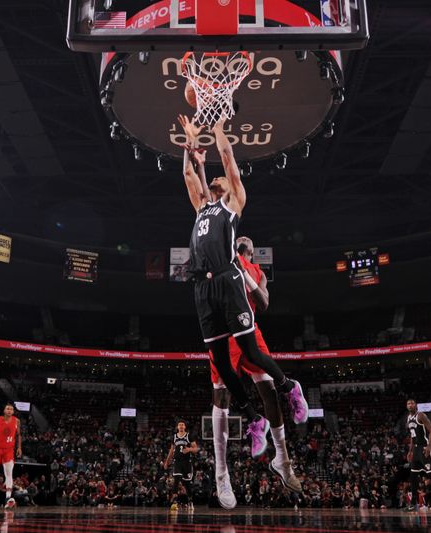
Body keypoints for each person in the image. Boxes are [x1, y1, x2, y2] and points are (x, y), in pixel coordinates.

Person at [176, 114, 308, 509]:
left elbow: (230, 161)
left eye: (217, 180)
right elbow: (188, 178)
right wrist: (189, 146)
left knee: (260, 369)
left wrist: (218, 132)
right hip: (205, 288)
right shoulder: (202, 207)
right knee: (221, 376)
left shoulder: (234, 209)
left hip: (234, 297)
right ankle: (230, 460)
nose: (213, 180)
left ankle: (284, 430)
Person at [208, 236, 303, 504]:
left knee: (270, 392)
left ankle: (283, 461)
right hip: (224, 331)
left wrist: (251, 281)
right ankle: (221, 475)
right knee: (221, 398)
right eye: (240, 239)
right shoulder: (227, 257)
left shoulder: (258, 273)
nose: (244, 239)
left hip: (249, 329)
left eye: (247, 242)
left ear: (252, 252)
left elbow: (264, 303)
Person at [405, 399, 431, 512]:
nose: (410, 405)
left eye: (412, 403)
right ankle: (413, 502)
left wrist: (429, 446)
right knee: (413, 477)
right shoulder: (408, 418)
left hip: (424, 447)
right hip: (415, 450)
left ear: (416, 405)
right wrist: (410, 451)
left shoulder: (421, 415)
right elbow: (412, 436)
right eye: (408, 403)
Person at [163, 420, 198, 511]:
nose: (181, 426)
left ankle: (190, 501)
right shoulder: (174, 437)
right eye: (179, 425)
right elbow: (171, 450)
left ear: (185, 427)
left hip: (187, 462)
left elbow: (196, 449)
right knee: (176, 480)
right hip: (177, 461)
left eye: (182, 425)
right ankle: (175, 502)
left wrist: (189, 449)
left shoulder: (189, 436)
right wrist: (167, 461)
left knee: (187, 484)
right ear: (177, 427)